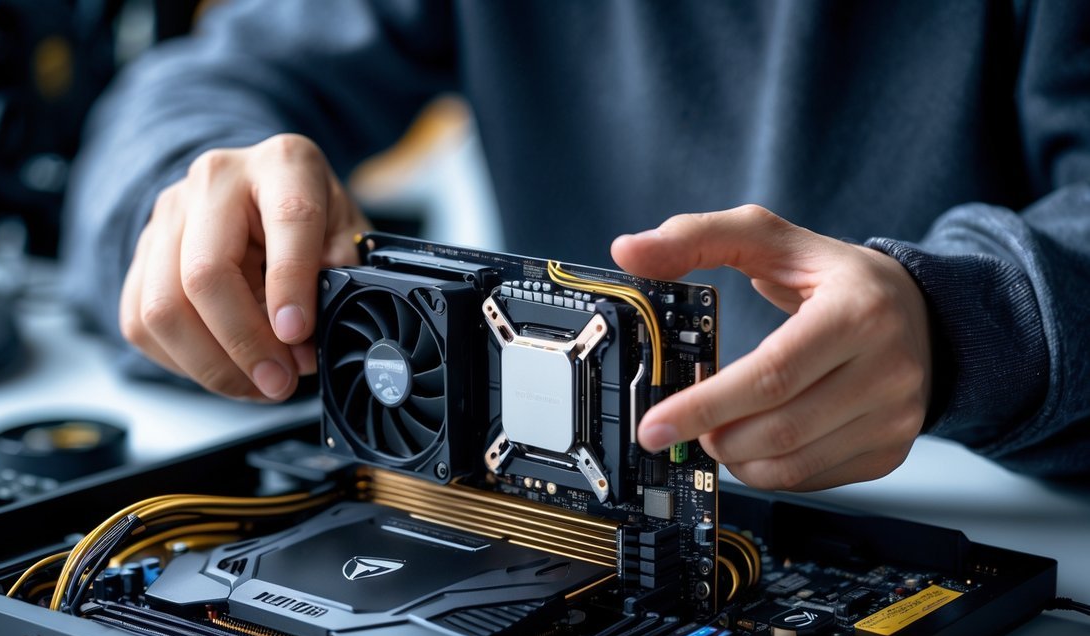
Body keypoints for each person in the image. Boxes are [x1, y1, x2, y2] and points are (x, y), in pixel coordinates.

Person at [61, 1, 1090, 490]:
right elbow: (198, 85)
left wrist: (964, 328)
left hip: (977, 510)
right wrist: (183, 199)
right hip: (560, 516)